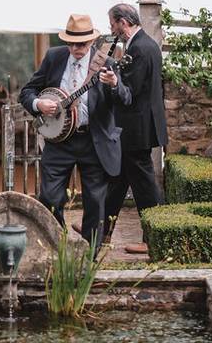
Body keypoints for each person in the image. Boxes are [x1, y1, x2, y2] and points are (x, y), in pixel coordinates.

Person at [19, 13, 131, 252]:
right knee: (48, 198)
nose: (75, 48)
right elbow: (27, 91)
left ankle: (89, 256)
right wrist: (39, 104)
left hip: (94, 140)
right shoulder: (54, 57)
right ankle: (56, 247)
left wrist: (113, 85)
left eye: (81, 43)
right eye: (71, 42)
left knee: (95, 203)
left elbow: (125, 99)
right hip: (60, 142)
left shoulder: (107, 63)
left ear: (91, 41)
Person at [103, 3, 169, 254]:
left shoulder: (141, 48)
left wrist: (113, 81)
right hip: (136, 125)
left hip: (137, 127)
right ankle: (100, 231)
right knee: (118, 180)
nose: (112, 30)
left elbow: (130, 92)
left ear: (123, 22)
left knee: (145, 186)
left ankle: (154, 239)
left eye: (112, 24)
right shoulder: (142, 45)